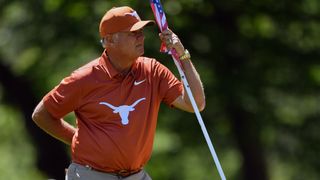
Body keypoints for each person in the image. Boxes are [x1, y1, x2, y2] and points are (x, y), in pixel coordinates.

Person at [32, 6, 205, 180]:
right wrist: (76, 138)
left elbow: (195, 104)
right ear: (110, 40)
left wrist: (182, 55)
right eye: (133, 33)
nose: (141, 37)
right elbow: (41, 114)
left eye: (141, 31)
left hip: (136, 175)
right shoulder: (84, 78)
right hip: (91, 175)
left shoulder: (152, 71)